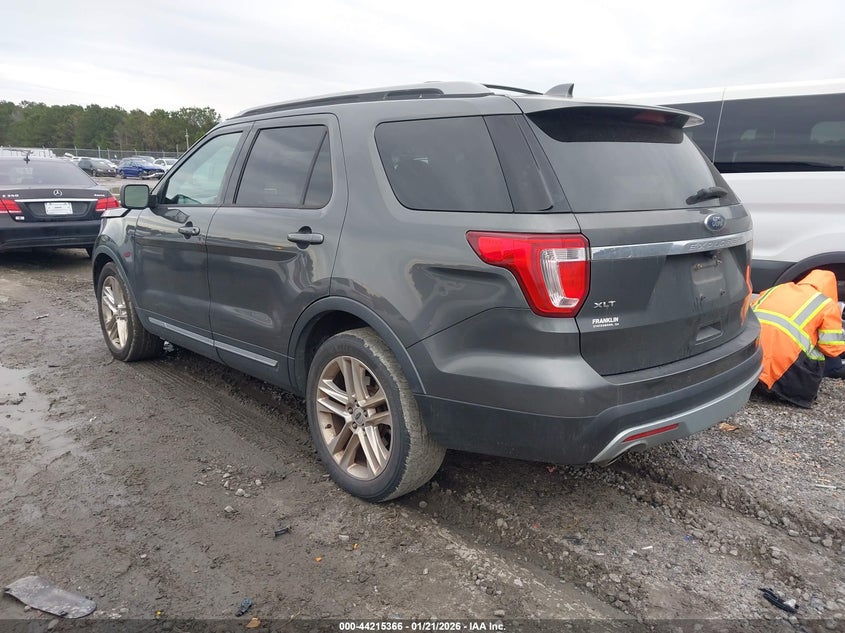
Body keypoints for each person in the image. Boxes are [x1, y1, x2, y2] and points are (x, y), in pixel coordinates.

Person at [751, 269, 845, 407]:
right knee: (833, 363)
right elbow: (832, 349)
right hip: (784, 376)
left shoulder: (775, 290)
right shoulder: (827, 304)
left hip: (751, 362)